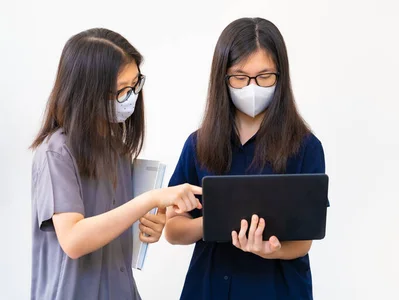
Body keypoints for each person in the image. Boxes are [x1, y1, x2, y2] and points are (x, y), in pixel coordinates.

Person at [30, 28, 202, 300]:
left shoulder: (117, 150)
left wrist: (149, 225)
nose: (132, 97)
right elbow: (74, 240)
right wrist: (149, 199)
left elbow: (117, 227)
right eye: (122, 91)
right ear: (87, 93)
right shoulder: (57, 152)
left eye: (136, 85)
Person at [164, 18, 326, 299]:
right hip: (208, 287)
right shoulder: (198, 144)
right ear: (222, 78)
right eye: (239, 77)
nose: (252, 87)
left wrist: (269, 250)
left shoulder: (306, 147)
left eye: (264, 76)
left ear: (280, 76)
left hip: (276, 289)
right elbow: (173, 230)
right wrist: (217, 221)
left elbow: (304, 241)